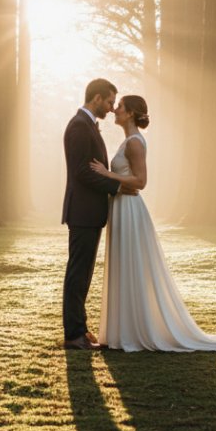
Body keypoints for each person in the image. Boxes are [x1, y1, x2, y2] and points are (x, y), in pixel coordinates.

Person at [91, 95, 216, 352]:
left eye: (120, 107)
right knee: (123, 263)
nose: (115, 109)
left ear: (132, 113)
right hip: (121, 206)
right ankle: (121, 331)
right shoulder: (128, 141)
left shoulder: (135, 143)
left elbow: (141, 181)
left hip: (130, 209)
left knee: (131, 263)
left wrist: (106, 174)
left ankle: (134, 331)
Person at [61, 78, 136, 350]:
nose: (112, 107)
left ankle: (80, 328)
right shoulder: (80, 126)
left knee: (83, 273)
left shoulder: (87, 125)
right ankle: (73, 335)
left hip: (89, 212)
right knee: (78, 274)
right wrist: (117, 186)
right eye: (109, 101)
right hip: (82, 211)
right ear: (96, 98)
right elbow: (82, 171)